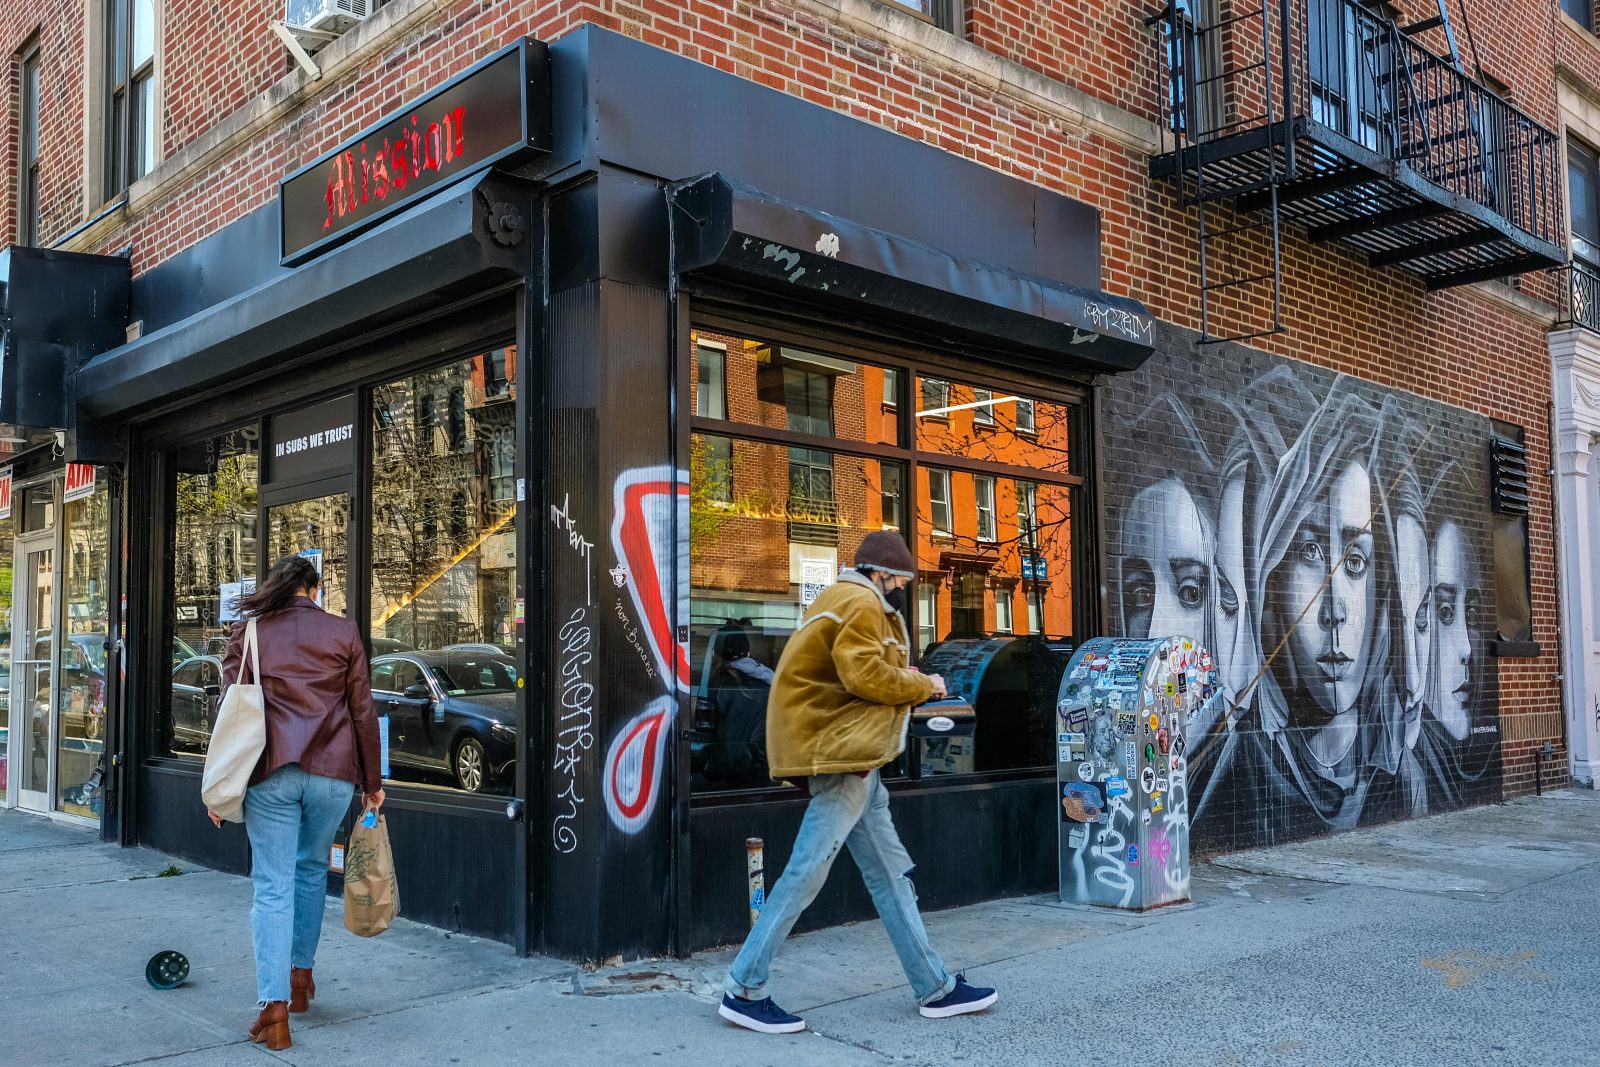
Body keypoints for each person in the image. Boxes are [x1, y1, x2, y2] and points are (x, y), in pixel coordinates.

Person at [718, 531, 998, 1034]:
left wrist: (898, 674)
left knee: (891, 878)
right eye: (900, 581)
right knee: (805, 874)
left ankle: (934, 987)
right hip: (846, 762)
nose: (901, 590)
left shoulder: (840, 598)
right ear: (883, 573)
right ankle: (743, 987)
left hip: (858, 763)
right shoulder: (862, 603)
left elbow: (847, 671)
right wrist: (925, 684)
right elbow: (864, 676)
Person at [205, 555, 383, 1051]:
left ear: (278, 588)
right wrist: (372, 781)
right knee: (311, 870)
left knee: (272, 885)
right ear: (315, 589)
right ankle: (301, 978)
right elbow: (363, 711)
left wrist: (218, 784)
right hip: (333, 774)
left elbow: (228, 710)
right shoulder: (344, 632)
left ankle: (275, 1005)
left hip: (271, 771)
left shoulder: (250, 632)